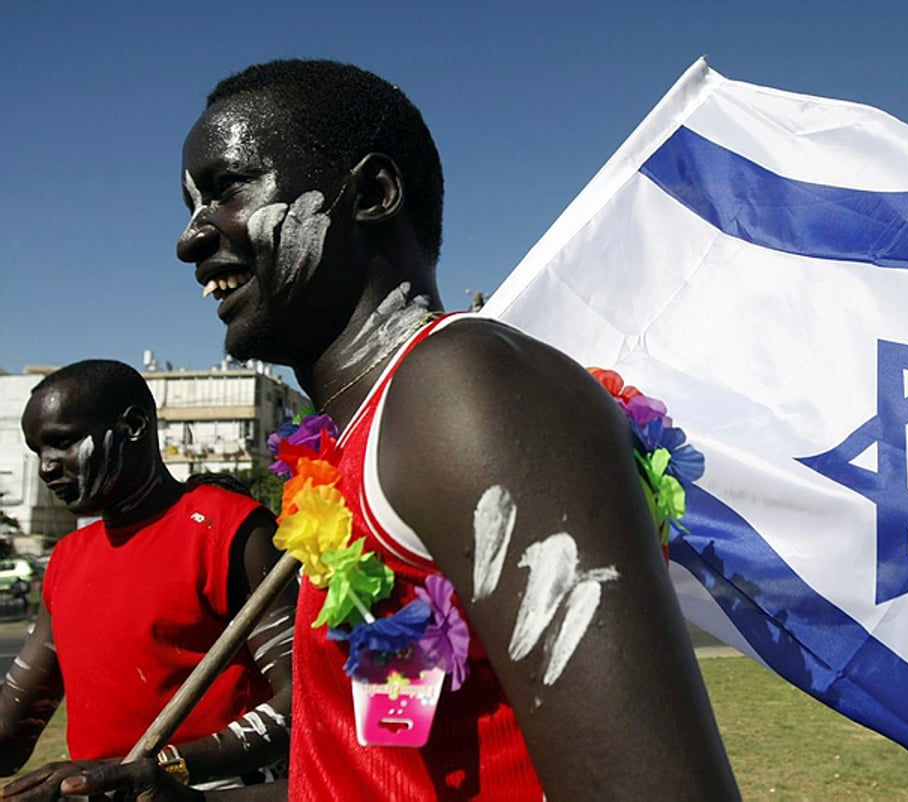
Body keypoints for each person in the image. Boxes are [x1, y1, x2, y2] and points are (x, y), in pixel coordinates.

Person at [62, 59, 737, 800]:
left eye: (227, 190)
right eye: (191, 205)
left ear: (375, 194)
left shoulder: (465, 391)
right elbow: (382, 767)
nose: (190, 239)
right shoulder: (355, 449)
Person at [0, 360, 295, 796]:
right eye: (37, 450)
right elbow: (12, 728)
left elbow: (305, 702)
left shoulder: (233, 531)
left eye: (61, 443)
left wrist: (160, 769)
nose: (46, 467)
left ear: (135, 425)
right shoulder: (67, 558)